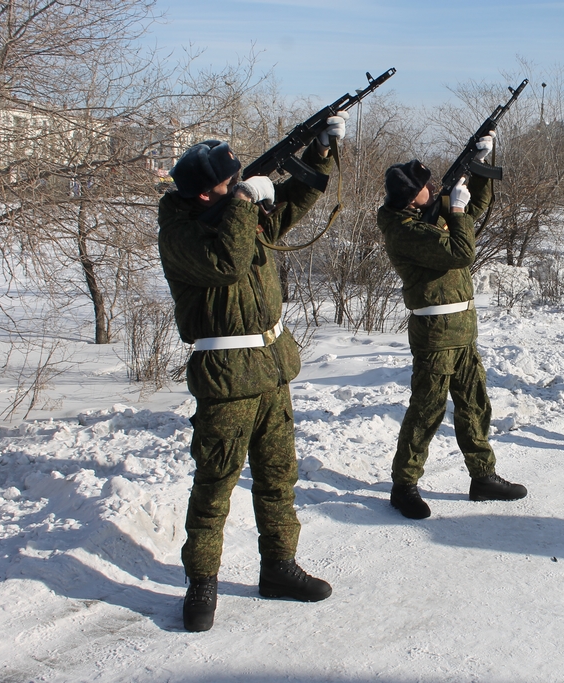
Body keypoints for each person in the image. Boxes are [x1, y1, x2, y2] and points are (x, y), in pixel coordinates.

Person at [158, 112, 347, 632]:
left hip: (270, 368)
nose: (238, 186)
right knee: (215, 484)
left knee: (278, 478)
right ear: (204, 196)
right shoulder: (181, 233)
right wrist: (243, 202)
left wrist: (319, 155)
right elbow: (228, 264)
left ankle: (279, 568)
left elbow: (286, 209)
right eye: (227, 183)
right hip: (226, 378)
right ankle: (202, 584)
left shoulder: (231, 214)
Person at [377, 138, 527, 520]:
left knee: (475, 404)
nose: (434, 190)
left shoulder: (427, 213)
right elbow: (462, 249)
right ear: (413, 198)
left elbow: (473, 209)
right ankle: (404, 485)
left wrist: (478, 167)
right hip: (436, 330)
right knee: (427, 409)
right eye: (426, 187)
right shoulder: (405, 231)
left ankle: (483, 476)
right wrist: (455, 208)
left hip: (461, 326)